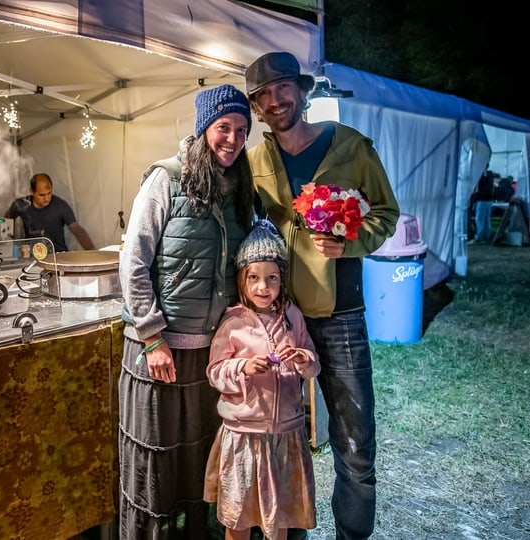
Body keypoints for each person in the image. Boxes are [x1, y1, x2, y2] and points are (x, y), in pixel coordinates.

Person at [245, 51, 400, 540]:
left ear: (303, 91)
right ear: (256, 107)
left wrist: (349, 241)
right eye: (263, 95)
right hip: (278, 318)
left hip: (340, 315)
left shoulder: (350, 146)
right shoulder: (254, 161)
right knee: (280, 436)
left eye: (283, 88)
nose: (276, 100)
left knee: (353, 441)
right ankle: (288, 533)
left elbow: (386, 213)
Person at [118, 83, 255, 539]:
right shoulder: (167, 178)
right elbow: (133, 260)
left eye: (241, 129)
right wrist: (153, 337)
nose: (233, 139)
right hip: (160, 351)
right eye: (223, 127)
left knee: (199, 458)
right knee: (155, 462)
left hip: (212, 353)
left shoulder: (240, 187)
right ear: (203, 129)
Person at [204, 219, 320, 540]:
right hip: (244, 436)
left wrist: (303, 359)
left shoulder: (292, 317)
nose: (262, 287)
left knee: (278, 519)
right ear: (242, 279)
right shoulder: (233, 321)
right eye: (253, 278)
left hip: (285, 437)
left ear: (282, 278)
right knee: (237, 520)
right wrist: (242, 367)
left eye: (271, 278)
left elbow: (313, 364)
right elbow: (215, 371)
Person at [4, 173, 95, 252]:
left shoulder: (60, 206)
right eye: (42, 195)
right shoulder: (21, 205)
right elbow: (5, 221)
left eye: (49, 193)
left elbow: (77, 230)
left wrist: (93, 251)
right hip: (33, 256)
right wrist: (9, 246)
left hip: (58, 255)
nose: (47, 198)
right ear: (32, 191)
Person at [471, 169, 495, 243]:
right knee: (486, 219)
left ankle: (479, 237)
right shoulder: (490, 175)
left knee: (480, 219)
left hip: (482, 199)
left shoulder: (480, 175)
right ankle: (486, 236)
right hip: (489, 199)